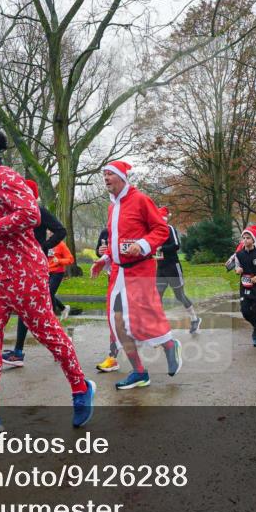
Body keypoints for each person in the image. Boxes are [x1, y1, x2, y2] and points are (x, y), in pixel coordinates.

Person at [0, 118, 93, 436]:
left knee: (48, 334)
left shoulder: (5, 177)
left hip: (25, 273)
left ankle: (81, 387)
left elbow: (30, 215)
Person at [90, 161, 183, 390]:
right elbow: (114, 240)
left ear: (122, 177)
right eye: (104, 175)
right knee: (116, 322)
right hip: (118, 273)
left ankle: (170, 346)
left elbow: (160, 230)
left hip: (140, 270)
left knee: (142, 320)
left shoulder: (140, 199)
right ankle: (139, 372)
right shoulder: (112, 206)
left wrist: (142, 244)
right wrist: (104, 259)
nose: (106, 178)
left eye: (110, 174)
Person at [1, 178, 69, 368]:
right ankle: (59, 349)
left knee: (32, 311)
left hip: (33, 267)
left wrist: (43, 247)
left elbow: (60, 230)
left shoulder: (38, 211)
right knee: (35, 312)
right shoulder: (16, 212)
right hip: (18, 266)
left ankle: (21, 352)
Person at [155, 207, 201, 334]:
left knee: (179, 295)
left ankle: (194, 319)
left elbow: (176, 245)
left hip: (172, 267)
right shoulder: (154, 231)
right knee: (157, 295)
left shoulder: (169, 229)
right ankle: (160, 325)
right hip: (160, 268)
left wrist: (161, 248)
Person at [233, 226, 256, 347]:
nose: (245, 240)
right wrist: (237, 270)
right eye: (243, 238)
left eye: (248, 238)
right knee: (245, 311)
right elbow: (236, 267)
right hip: (244, 287)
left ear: (253, 240)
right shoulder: (239, 254)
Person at [93, 227, 121, 373]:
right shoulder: (106, 231)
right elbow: (98, 250)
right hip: (114, 277)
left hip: (134, 277)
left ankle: (165, 343)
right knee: (114, 317)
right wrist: (101, 252)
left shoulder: (133, 228)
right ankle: (112, 357)